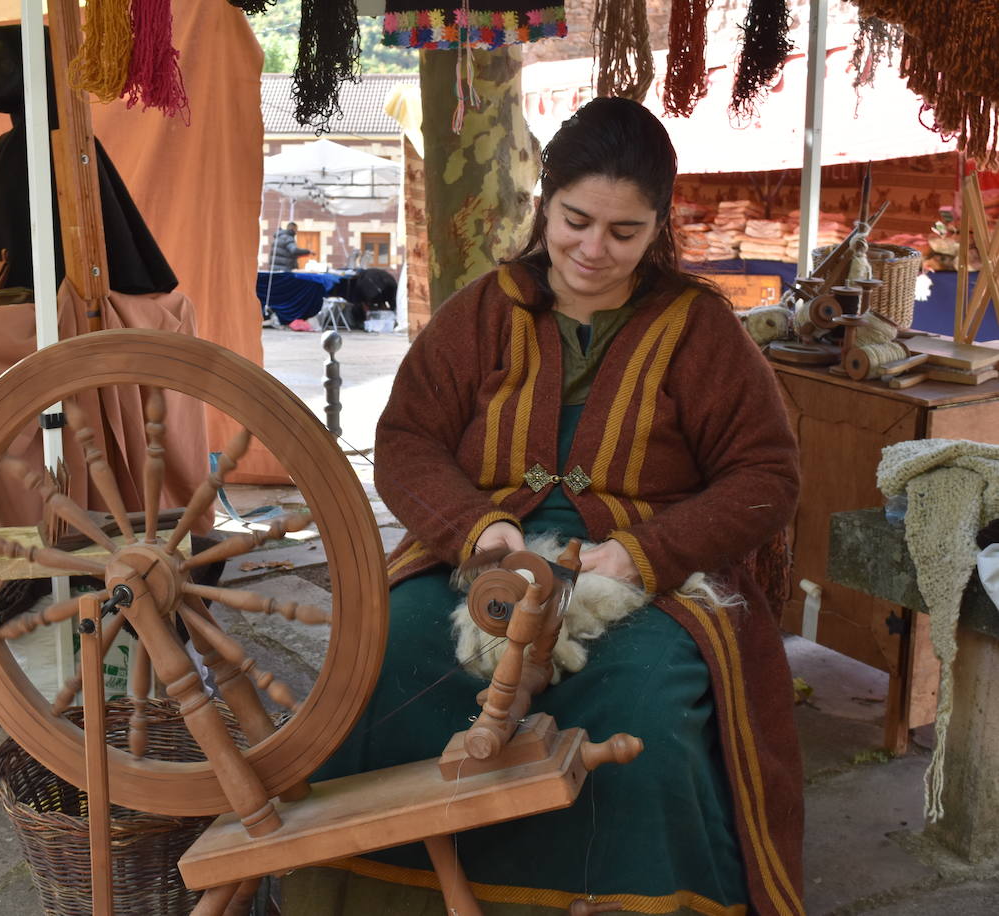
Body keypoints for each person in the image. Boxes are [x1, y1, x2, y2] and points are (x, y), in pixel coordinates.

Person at [285, 98, 804, 915]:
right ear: (545, 204)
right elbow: (408, 440)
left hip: (643, 570)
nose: (594, 250)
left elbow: (765, 474)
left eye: (624, 232)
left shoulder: (700, 329)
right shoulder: (484, 312)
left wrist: (645, 555)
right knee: (384, 662)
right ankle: (379, 895)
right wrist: (478, 528)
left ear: (657, 226)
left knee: (647, 704)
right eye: (576, 221)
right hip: (481, 559)